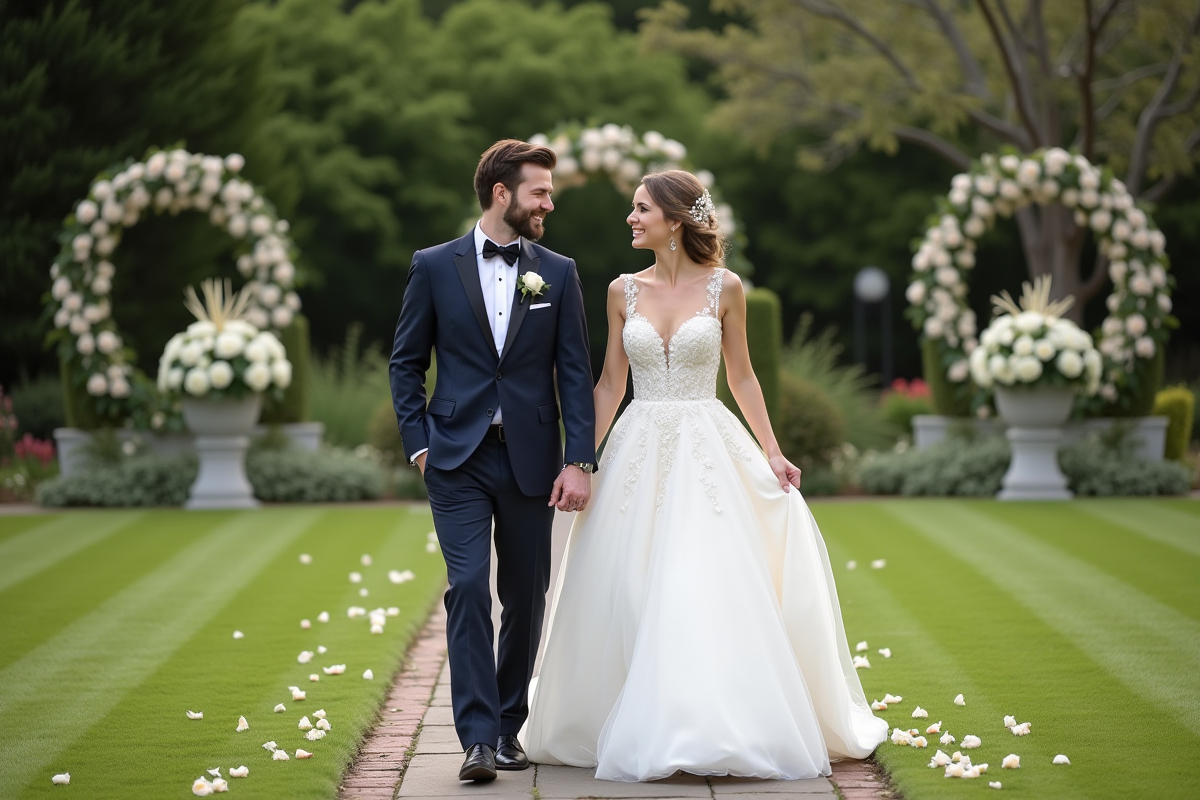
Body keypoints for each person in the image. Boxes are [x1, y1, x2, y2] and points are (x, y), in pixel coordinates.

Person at [521, 169, 887, 781]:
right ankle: (626, 717)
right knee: (628, 582)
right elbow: (609, 383)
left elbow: (741, 375)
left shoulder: (726, 287)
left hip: (708, 446)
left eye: (641, 209)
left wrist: (772, 451)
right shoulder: (621, 291)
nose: (631, 218)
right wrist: (578, 457)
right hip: (636, 445)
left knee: (697, 581)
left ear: (674, 219)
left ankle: (708, 723)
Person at [389, 139, 597, 783]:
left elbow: (574, 372)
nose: (549, 203)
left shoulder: (559, 272)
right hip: (456, 458)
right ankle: (477, 739)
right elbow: (405, 362)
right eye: (540, 192)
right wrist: (419, 443)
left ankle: (509, 728)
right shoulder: (433, 266)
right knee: (469, 587)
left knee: (526, 597)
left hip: (533, 460)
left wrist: (579, 460)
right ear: (502, 193)